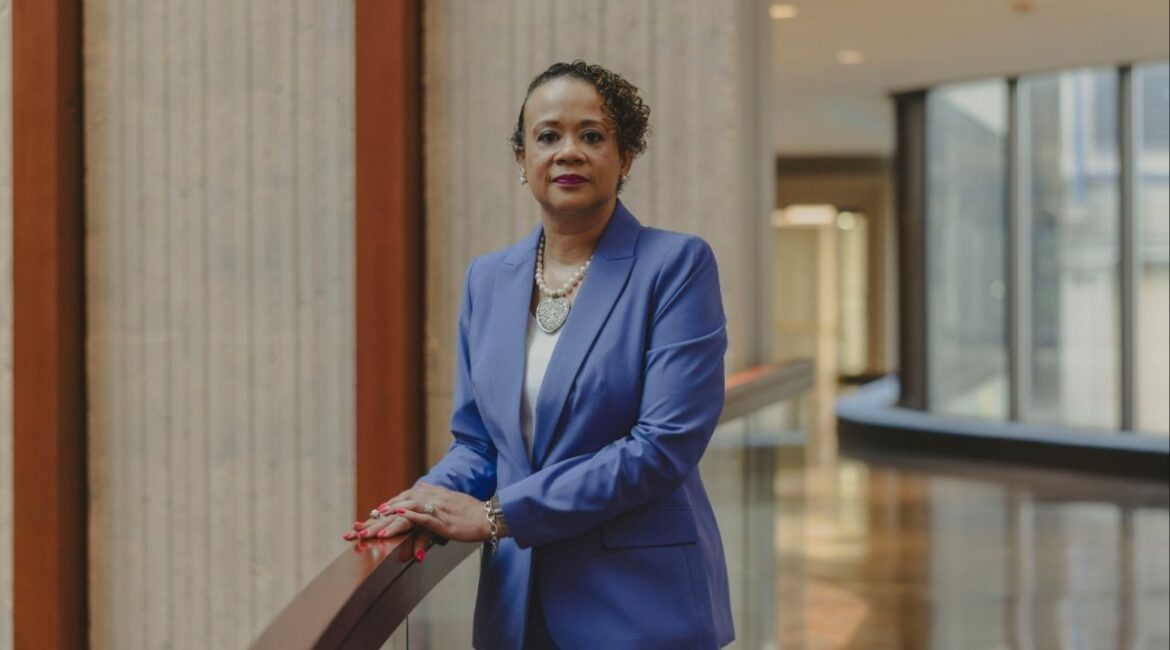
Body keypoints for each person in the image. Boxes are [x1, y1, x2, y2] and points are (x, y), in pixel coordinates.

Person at [342, 60, 733, 650]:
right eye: (548, 136)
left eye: (592, 135)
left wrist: (498, 517)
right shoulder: (488, 279)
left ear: (624, 158)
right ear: (523, 161)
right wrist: (419, 500)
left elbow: (662, 447)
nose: (568, 151)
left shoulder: (675, 267)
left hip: (641, 608)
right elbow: (479, 441)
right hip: (518, 609)